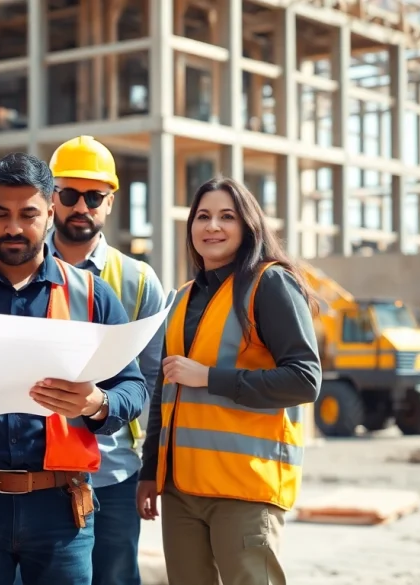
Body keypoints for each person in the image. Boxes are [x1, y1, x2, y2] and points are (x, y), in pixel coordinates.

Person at [0, 152, 148, 585]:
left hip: (61, 508)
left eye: (28, 214)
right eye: (0, 213)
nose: (13, 227)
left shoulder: (93, 295)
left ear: (49, 212)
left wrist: (98, 402)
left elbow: (132, 386)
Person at [136, 176, 321, 585]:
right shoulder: (181, 298)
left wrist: (209, 378)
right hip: (183, 490)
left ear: (247, 226)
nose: (212, 226)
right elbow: (164, 391)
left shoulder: (269, 284)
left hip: (245, 489)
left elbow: (304, 380)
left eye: (226, 217)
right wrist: (151, 471)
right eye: (203, 217)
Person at [45, 135, 167, 585]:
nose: (82, 206)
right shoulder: (18, 271)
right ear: (51, 198)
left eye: (93, 196)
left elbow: (154, 382)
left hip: (114, 472)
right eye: (70, 194)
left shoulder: (137, 280)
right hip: (40, 473)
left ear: (110, 202)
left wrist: (150, 468)